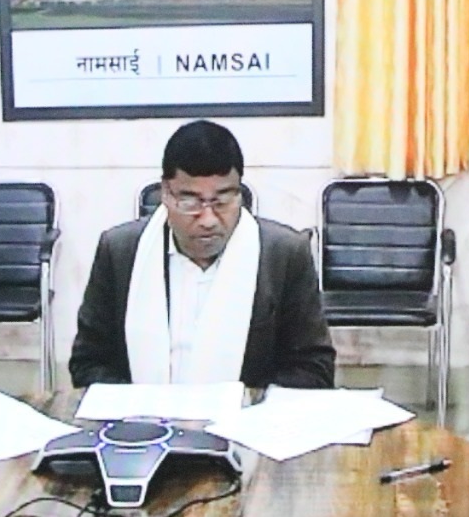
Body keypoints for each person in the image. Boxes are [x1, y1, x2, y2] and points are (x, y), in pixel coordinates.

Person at [70, 120, 335, 389]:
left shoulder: (284, 255)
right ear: (166, 193)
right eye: (190, 201)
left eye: (222, 200)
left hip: (244, 415)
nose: (208, 220)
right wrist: (142, 406)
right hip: (142, 415)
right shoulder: (119, 252)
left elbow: (314, 369)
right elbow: (88, 363)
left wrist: (246, 402)